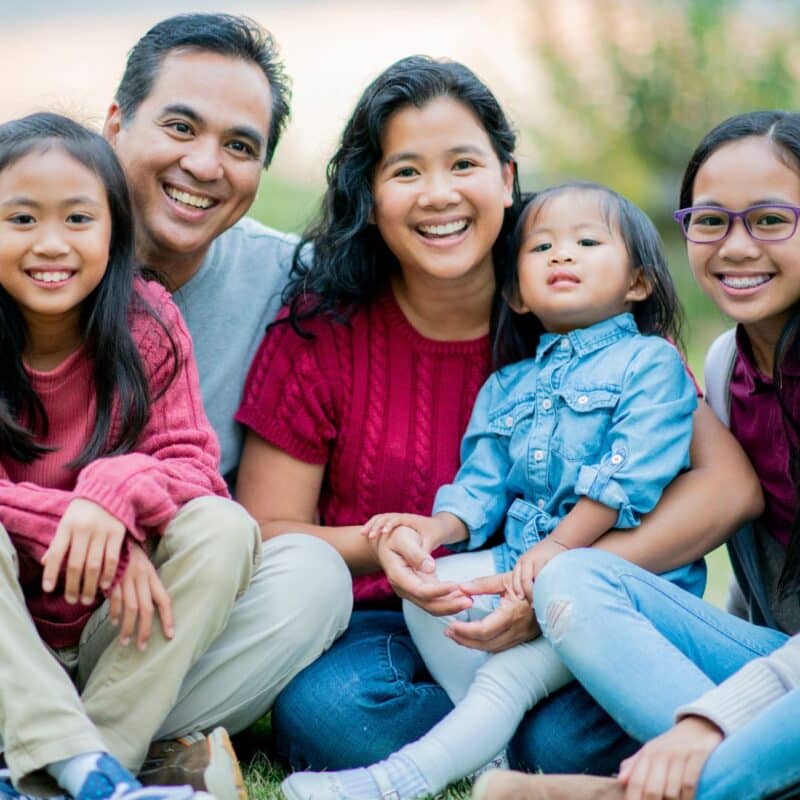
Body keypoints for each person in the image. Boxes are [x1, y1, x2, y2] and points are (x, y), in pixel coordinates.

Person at [234, 55, 761, 776]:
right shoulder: (321, 329)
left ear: (505, 178)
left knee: (563, 738)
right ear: (372, 192)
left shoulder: (588, 310)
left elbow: (728, 489)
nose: (439, 195)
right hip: (397, 615)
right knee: (333, 710)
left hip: (575, 597)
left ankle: (502, 749)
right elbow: (269, 531)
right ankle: (504, 751)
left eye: (463, 164)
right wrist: (392, 542)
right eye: (406, 171)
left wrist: (557, 584)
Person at [280, 181, 701, 800]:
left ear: (638, 283)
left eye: (587, 242)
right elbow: (481, 483)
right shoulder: (509, 385)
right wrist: (436, 530)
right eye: (542, 248)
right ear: (515, 293)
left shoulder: (650, 364)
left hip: (620, 588)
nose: (563, 256)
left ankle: (397, 780)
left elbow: (627, 476)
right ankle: (489, 751)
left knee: (510, 681)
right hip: (527, 563)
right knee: (431, 593)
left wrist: (557, 550)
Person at [472, 110, 800, 800]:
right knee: (574, 580)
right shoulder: (721, 367)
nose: (736, 246)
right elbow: (750, 590)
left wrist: (710, 720)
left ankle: (610, 795)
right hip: (777, 665)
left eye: (771, 219)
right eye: (711, 221)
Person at [100, 14, 352, 797]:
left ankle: (72, 749)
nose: (204, 165)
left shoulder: (289, 282)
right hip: (21, 581)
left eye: (240, 147)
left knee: (311, 575)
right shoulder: (30, 246)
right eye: (180, 126)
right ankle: (126, 754)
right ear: (116, 124)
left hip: (159, 620)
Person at [0, 112, 252, 800]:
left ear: (114, 233)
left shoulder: (147, 320)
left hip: (112, 632)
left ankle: (83, 768)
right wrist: (95, 536)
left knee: (225, 528)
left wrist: (114, 486)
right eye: (21, 220)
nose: (51, 244)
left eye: (78, 220)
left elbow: (196, 469)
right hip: (8, 631)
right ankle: (81, 769)